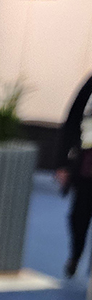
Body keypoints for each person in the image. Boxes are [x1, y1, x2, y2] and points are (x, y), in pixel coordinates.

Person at [56, 72, 92, 277]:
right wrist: (62, 163)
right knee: (78, 218)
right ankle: (75, 255)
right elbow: (71, 122)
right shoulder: (90, 83)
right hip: (86, 166)